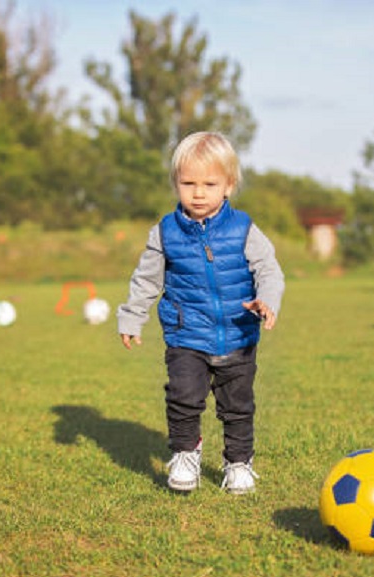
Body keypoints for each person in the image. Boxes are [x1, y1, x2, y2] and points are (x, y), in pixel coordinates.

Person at [117, 131, 285, 494]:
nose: (198, 192)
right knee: (183, 397)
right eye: (188, 183)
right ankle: (184, 454)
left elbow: (269, 270)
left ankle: (239, 462)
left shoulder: (244, 230)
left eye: (209, 183)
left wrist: (267, 300)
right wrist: (132, 317)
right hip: (186, 334)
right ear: (175, 183)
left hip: (238, 333)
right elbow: (146, 280)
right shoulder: (165, 232)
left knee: (238, 406)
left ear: (228, 186)